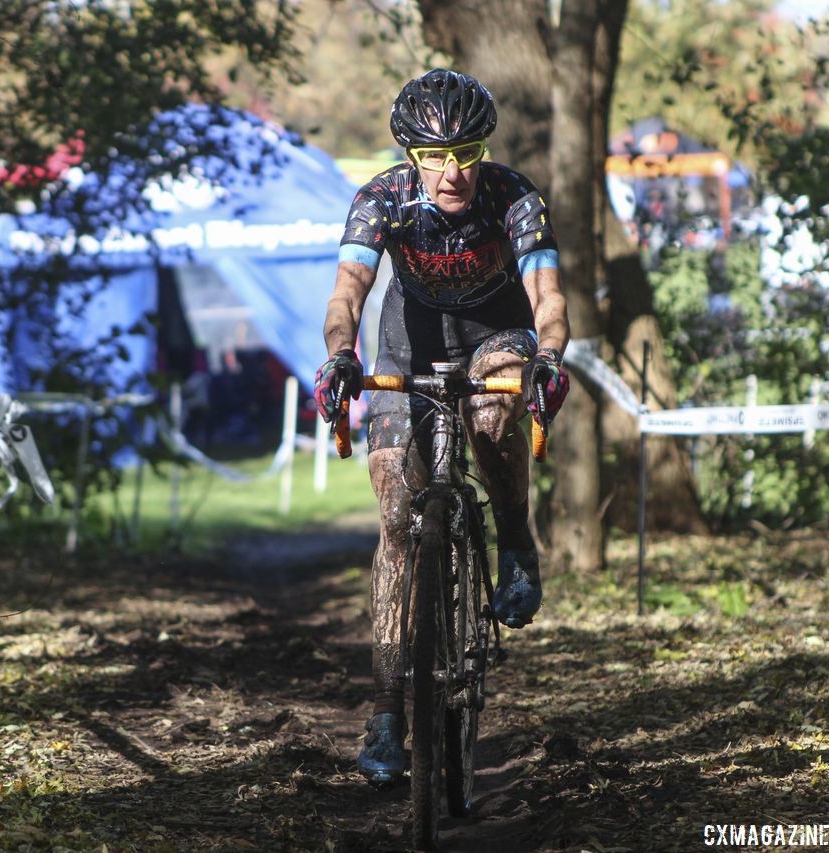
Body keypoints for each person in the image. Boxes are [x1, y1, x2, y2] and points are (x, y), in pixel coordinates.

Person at [312, 69, 571, 784]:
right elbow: (348, 292)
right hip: (407, 346)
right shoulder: (382, 199)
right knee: (397, 511)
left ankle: (515, 538)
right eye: (435, 156)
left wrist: (548, 356)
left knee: (491, 415)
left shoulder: (512, 196)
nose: (452, 171)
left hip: (496, 335)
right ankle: (388, 712)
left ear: (483, 148)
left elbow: (546, 295)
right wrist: (339, 356)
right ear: (409, 155)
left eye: (466, 151)